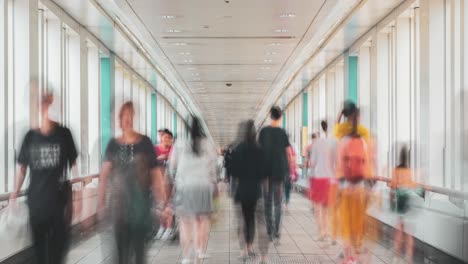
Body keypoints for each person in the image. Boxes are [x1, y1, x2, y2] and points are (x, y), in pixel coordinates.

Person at [10, 93, 78, 264]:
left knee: (57, 253)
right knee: (39, 253)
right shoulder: (30, 137)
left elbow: (74, 165)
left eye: (50, 106)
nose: (48, 110)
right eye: (44, 106)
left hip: (59, 204)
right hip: (36, 204)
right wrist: (13, 195)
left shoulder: (64, 134)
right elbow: (22, 168)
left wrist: (76, 198)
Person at [97, 101, 166, 264]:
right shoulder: (113, 145)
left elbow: (155, 175)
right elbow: (104, 175)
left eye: (130, 115)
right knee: (121, 256)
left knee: (140, 254)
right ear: (119, 120)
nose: (127, 119)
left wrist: (163, 204)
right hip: (119, 209)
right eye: (124, 115)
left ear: (134, 118)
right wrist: (100, 203)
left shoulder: (145, 143)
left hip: (140, 209)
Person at [168, 116, 217, 264]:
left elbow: (172, 167)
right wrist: (214, 183)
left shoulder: (180, 142)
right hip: (203, 186)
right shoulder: (208, 143)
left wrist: (175, 180)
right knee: (201, 221)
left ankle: (186, 257)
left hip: (185, 187)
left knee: (184, 223)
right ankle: (200, 252)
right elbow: (213, 167)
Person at [334, 101, 374, 264]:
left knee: (346, 221)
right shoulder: (364, 133)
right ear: (358, 116)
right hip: (360, 184)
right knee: (358, 220)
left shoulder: (341, 134)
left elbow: (338, 160)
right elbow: (368, 159)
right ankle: (356, 254)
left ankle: (348, 256)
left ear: (345, 116)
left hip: (345, 184)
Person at [231, 120, 264, 259]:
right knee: (251, 219)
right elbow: (263, 171)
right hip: (255, 188)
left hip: (242, 188)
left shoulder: (238, 148)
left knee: (243, 218)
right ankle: (250, 246)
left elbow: (233, 171)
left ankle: (243, 249)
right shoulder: (259, 148)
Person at [258, 106, 292, 241]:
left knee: (267, 202)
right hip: (279, 173)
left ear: (270, 115)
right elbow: (288, 153)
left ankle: (269, 231)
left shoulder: (263, 132)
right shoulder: (283, 132)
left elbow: (259, 152)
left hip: (266, 174)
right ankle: (277, 231)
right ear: (280, 117)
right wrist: (288, 170)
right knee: (278, 203)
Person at [390, 146, 420, 264]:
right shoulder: (408, 170)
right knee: (409, 233)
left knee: (399, 231)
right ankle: (409, 259)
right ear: (408, 158)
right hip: (408, 201)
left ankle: (396, 258)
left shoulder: (396, 170)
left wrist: (392, 201)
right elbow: (412, 185)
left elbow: (393, 186)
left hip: (400, 201)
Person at [309, 121, 337, 242]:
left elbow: (313, 163)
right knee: (328, 208)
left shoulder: (317, 143)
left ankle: (321, 232)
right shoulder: (336, 142)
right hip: (332, 179)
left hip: (319, 178)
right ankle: (329, 231)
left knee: (318, 207)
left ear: (322, 128)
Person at [154, 129, 174, 240]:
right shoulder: (156, 149)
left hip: (170, 182)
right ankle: (161, 226)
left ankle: (169, 228)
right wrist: (160, 158)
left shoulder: (173, 150)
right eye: (164, 137)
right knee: (159, 206)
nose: (166, 140)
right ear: (161, 138)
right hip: (158, 181)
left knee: (168, 205)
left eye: (168, 138)